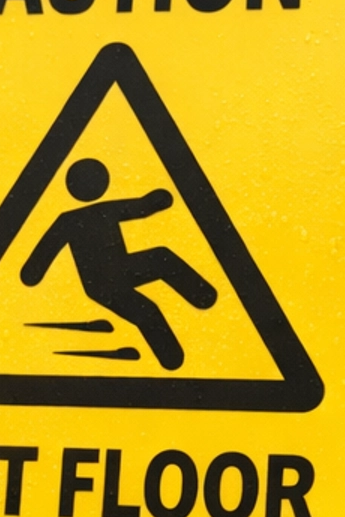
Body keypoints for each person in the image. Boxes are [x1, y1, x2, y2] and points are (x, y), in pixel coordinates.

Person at [21, 157, 217, 370]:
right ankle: (172, 359)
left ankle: (202, 296)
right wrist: (33, 272)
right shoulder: (70, 220)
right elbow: (43, 254)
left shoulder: (90, 214)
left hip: (121, 268)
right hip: (103, 286)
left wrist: (157, 201)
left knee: (161, 258)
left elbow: (141, 206)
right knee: (147, 311)